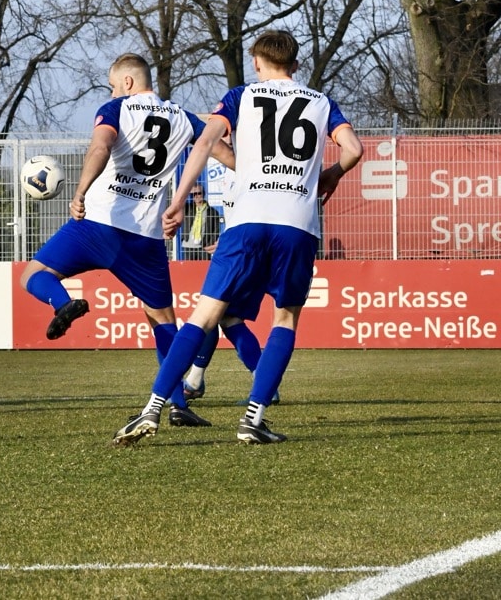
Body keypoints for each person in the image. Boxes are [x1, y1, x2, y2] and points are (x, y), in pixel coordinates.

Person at [114, 29, 363, 446]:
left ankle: (152, 409)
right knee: (285, 318)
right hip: (297, 225)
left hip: (246, 221)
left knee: (203, 317)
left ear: (257, 63)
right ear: (296, 65)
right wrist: (332, 176)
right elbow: (353, 148)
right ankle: (254, 418)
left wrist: (178, 200)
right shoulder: (320, 102)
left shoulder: (241, 96)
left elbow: (206, 141)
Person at [19, 53, 234, 428]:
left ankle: (62, 303)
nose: (112, 90)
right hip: (144, 237)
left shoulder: (116, 108)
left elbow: (100, 148)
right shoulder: (182, 117)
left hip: (97, 223)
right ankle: (178, 405)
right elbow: (219, 151)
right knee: (163, 320)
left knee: (34, 273)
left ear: (129, 83)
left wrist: (80, 190)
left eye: (113, 83)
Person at [180, 181, 221, 259]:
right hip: (188, 245)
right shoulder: (187, 208)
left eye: (199, 193)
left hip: (203, 247)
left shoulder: (212, 212)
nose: (196, 196)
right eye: (193, 194)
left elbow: (216, 230)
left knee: (204, 269)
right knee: (189, 270)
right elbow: (180, 201)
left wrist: (210, 243)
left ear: (203, 194)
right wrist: (188, 190)